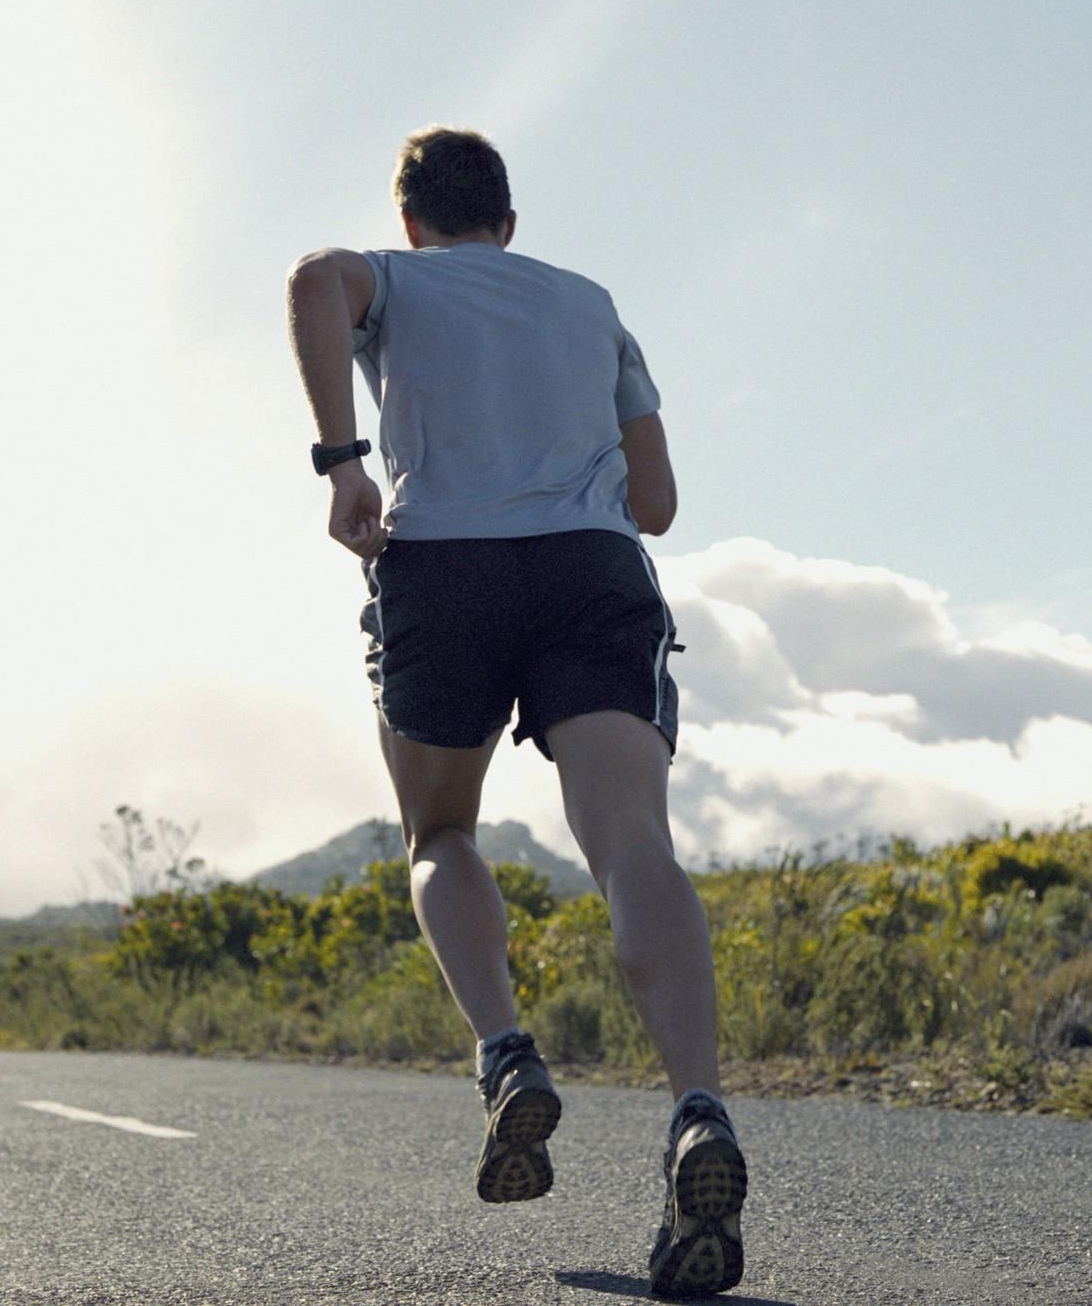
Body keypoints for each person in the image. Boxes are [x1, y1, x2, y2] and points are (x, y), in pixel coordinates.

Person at [284, 127, 749, 1299]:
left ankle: (504, 1054)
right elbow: (654, 502)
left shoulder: (397, 281)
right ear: (508, 218)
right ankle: (696, 1110)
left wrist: (344, 459)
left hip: (444, 570)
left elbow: (309, 281)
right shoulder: (592, 306)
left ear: (410, 222)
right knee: (631, 843)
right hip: (588, 569)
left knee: (439, 837)